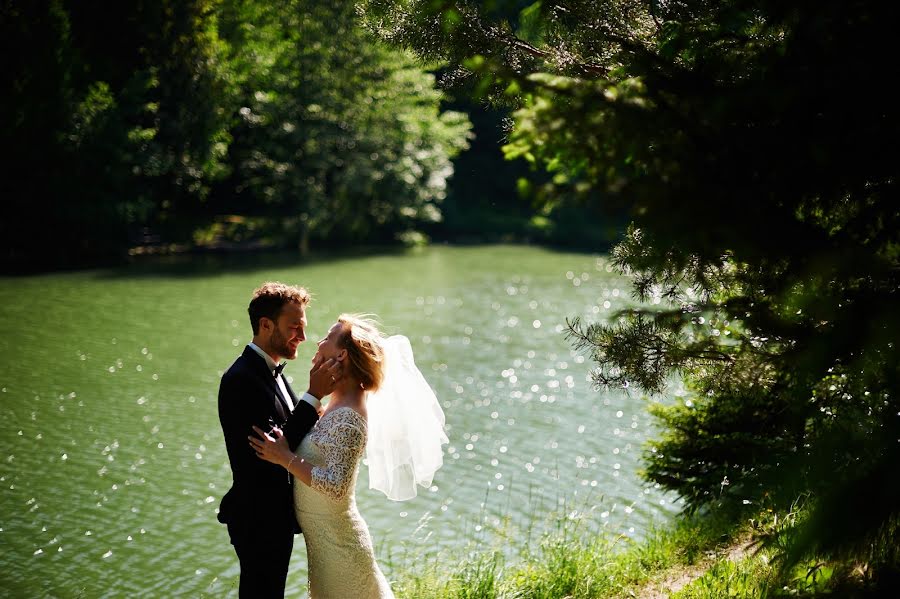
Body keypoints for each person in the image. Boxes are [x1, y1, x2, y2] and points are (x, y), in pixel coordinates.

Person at [249, 314, 449, 599]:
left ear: (341, 353)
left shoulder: (350, 416)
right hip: (324, 545)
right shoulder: (336, 403)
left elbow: (335, 485)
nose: (318, 341)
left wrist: (284, 458)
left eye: (328, 338)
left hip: (339, 547)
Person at [217, 282, 342, 599]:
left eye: (303, 327)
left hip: (273, 516)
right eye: (294, 327)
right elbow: (272, 448)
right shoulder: (241, 379)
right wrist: (313, 394)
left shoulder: (273, 370)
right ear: (265, 325)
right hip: (258, 518)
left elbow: (290, 433)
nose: (301, 337)